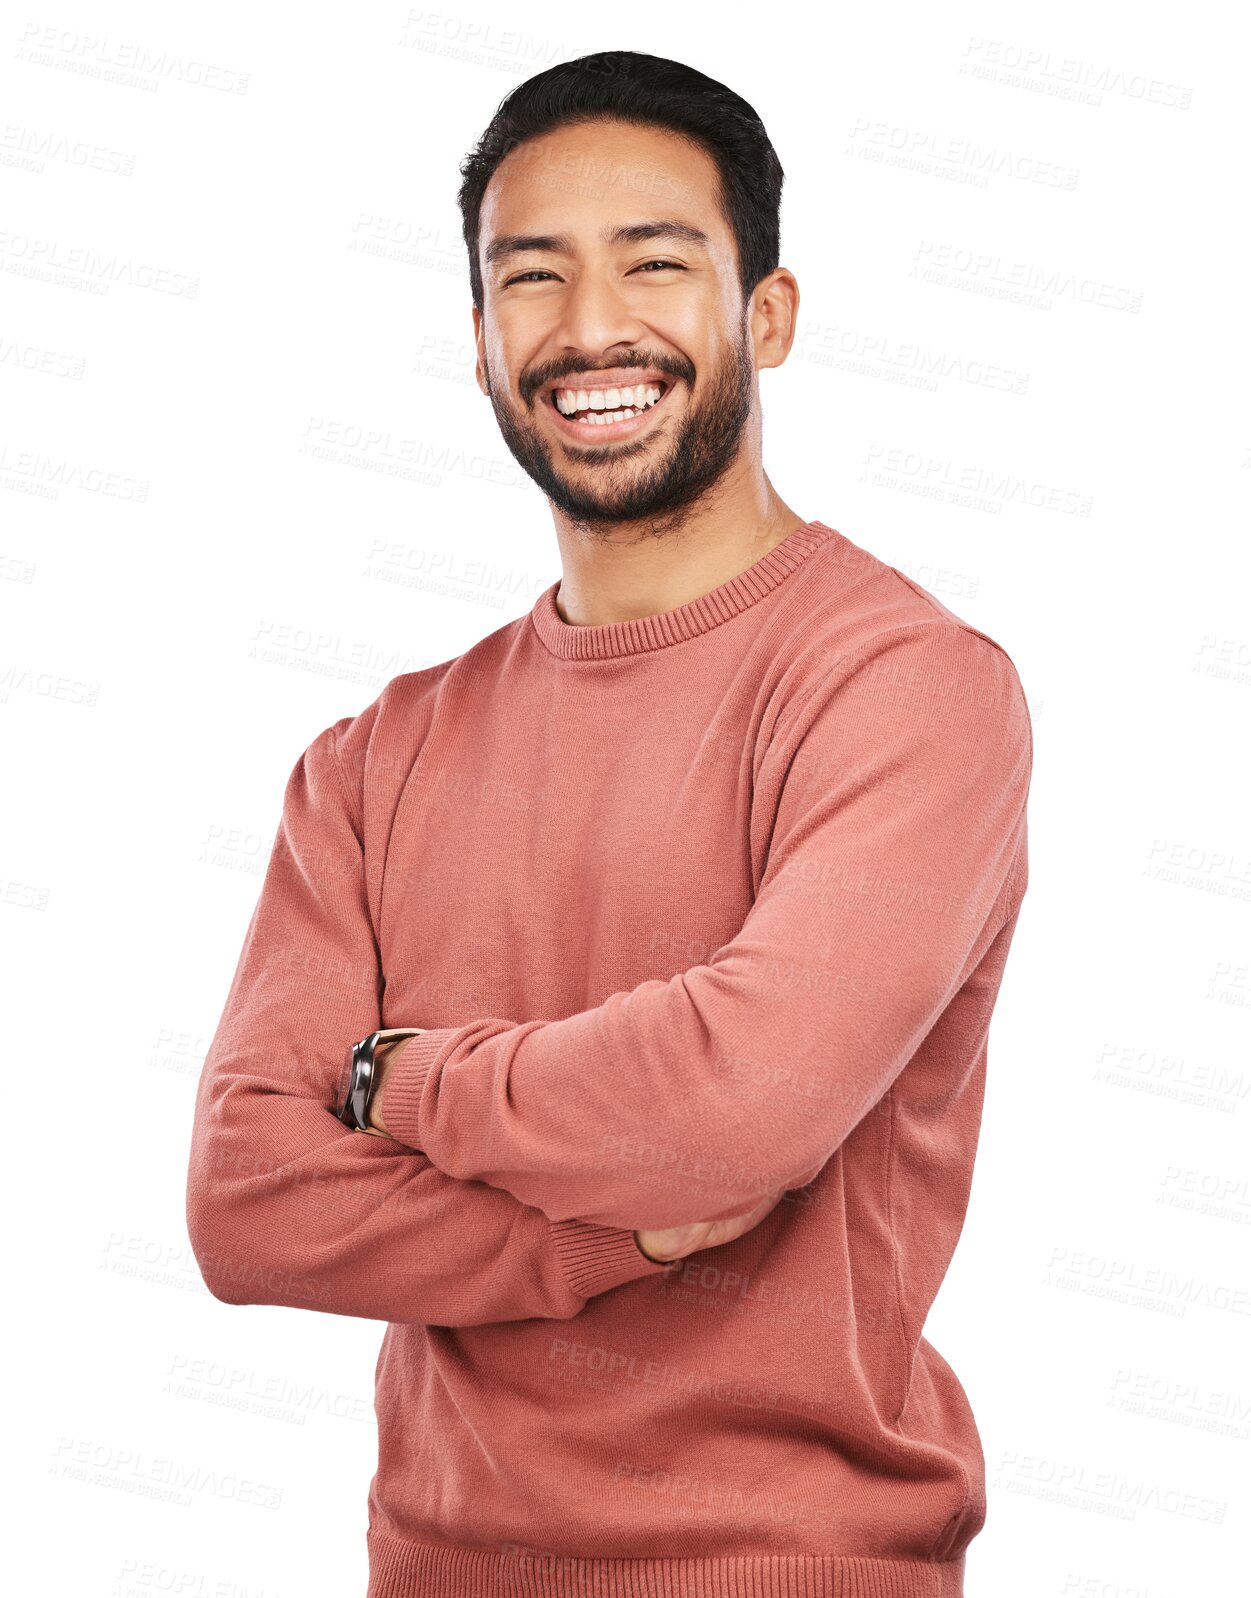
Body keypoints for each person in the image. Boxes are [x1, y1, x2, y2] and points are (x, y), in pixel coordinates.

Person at [186, 49, 1032, 1598]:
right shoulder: (370, 758)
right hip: (427, 1568)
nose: (591, 329)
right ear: (483, 337)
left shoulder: (908, 690)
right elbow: (245, 1199)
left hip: (791, 1568)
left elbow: (733, 1106)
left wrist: (398, 1079)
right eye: (534, 278)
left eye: (655, 263)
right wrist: (603, 1241)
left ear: (765, 313)